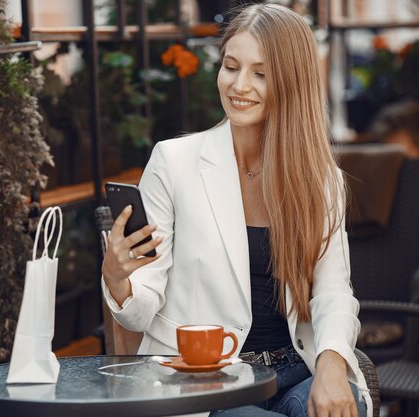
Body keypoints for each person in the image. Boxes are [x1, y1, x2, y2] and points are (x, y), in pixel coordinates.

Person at [101, 4, 370, 417]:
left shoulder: (320, 179)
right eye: (231, 66)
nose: (240, 85)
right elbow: (142, 309)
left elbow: (333, 292)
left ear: (290, 82)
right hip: (205, 383)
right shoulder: (174, 163)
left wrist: (333, 365)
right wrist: (119, 279)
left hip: (294, 369)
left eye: (260, 74)